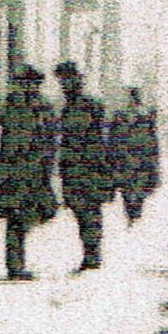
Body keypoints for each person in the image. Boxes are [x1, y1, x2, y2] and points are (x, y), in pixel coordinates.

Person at [0, 65, 57, 279]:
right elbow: (4, 138)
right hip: (14, 170)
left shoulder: (43, 107)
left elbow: (50, 138)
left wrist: (47, 164)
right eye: (25, 83)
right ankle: (15, 266)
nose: (29, 87)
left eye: (33, 84)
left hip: (33, 170)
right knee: (15, 218)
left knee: (30, 215)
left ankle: (16, 265)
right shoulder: (12, 106)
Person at [55, 59, 114, 270]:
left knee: (89, 210)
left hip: (89, 166)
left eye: (67, 80)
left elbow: (96, 138)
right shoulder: (68, 107)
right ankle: (90, 252)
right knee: (81, 211)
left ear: (77, 80)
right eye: (61, 81)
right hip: (73, 168)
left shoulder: (89, 105)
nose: (64, 85)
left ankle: (92, 254)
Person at [110, 84, 161, 224]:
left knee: (137, 187)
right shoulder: (121, 117)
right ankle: (132, 214)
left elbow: (152, 141)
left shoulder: (145, 118)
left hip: (139, 158)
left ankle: (135, 213)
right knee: (128, 187)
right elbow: (113, 139)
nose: (132, 102)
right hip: (127, 158)